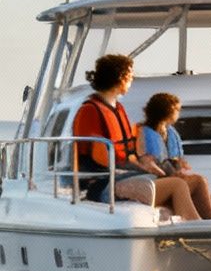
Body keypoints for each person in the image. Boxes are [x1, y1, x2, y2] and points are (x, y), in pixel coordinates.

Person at [69, 54, 202, 220]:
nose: (132, 79)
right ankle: (193, 226)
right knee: (177, 185)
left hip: (124, 177)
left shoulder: (119, 110)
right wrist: (142, 167)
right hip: (104, 186)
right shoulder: (90, 111)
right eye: (130, 75)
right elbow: (102, 160)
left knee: (197, 181)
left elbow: (130, 154)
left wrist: (151, 164)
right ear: (121, 77)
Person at [138, 92, 211, 220]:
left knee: (199, 180)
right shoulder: (143, 132)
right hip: (155, 179)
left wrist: (180, 166)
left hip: (169, 174)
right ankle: (199, 223)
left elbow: (176, 159)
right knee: (183, 183)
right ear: (168, 111)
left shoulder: (170, 132)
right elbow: (145, 162)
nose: (178, 113)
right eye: (177, 110)